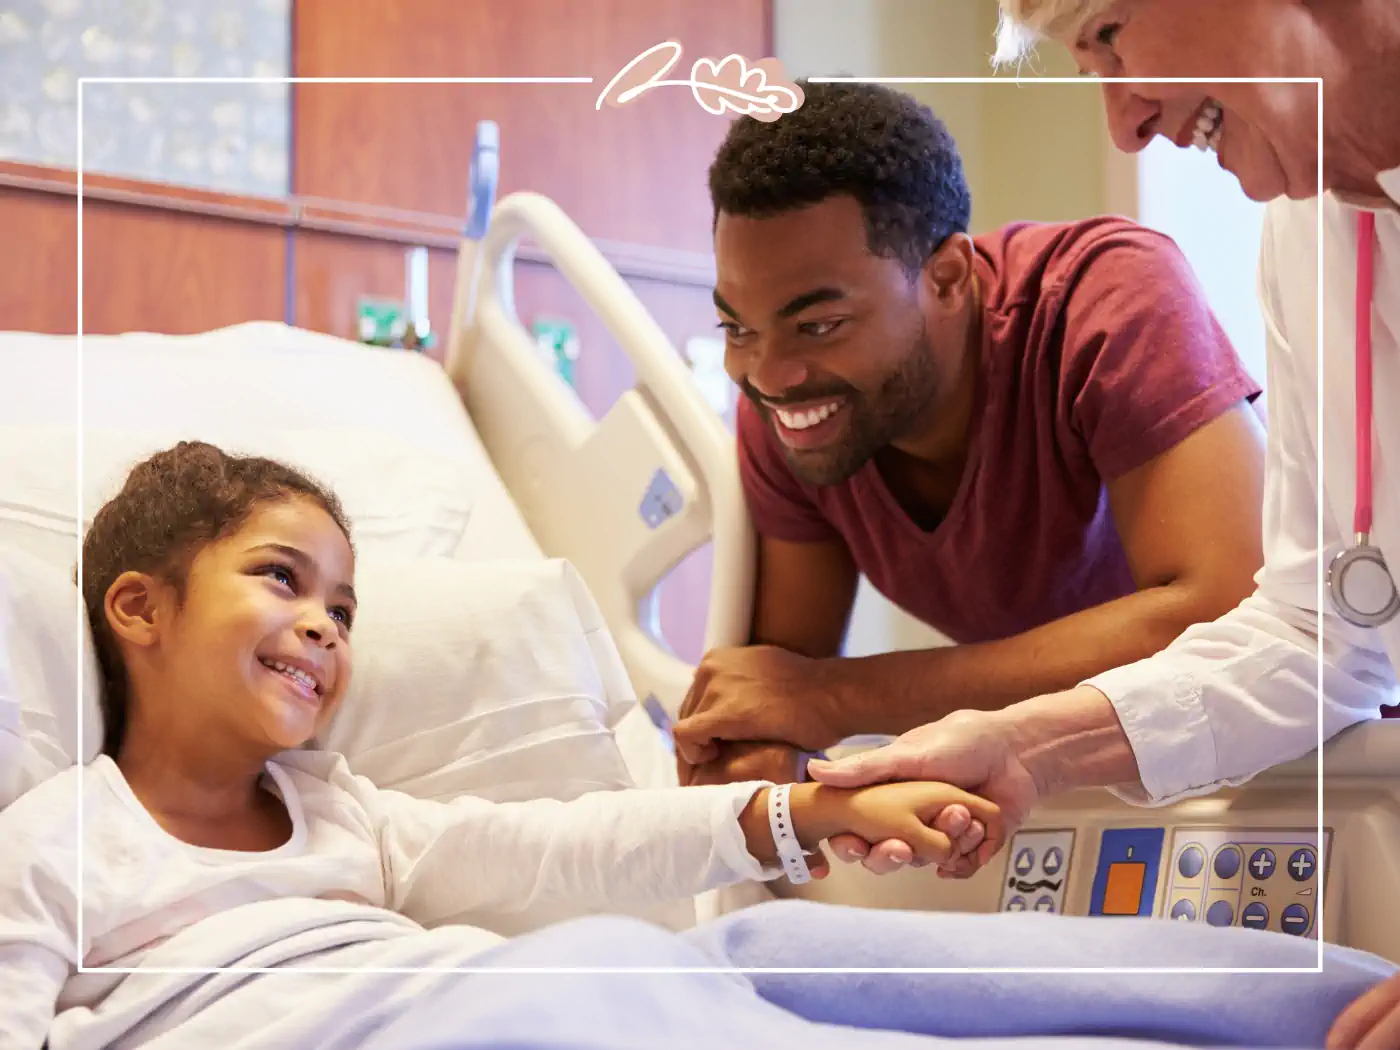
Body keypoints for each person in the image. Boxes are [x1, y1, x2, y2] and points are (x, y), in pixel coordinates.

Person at [786, 7, 1400, 1043]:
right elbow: (1325, 630)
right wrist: (1026, 745)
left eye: (1111, 30)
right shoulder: (1310, 241)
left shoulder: (1108, 303)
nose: (1120, 123)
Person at [0, 441, 1003, 1049]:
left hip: (471, 1005)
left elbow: (561, 842)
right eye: (280, 578)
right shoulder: (59, 844)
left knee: (760, 950)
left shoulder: (344, 812)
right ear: (140, 609)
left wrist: (811, 810)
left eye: (342, 608)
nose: (325, 627)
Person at [672, 79, 1268, 794]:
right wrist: (764, 748)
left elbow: (1229, 616)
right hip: (1075, 787)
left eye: (819, 325)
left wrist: (838, 697)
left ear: (949, 277)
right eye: (737, 327)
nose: (768, 375)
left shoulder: (1104, 301)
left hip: (1313, 766)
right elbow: (780, 695)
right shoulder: (795, 416)